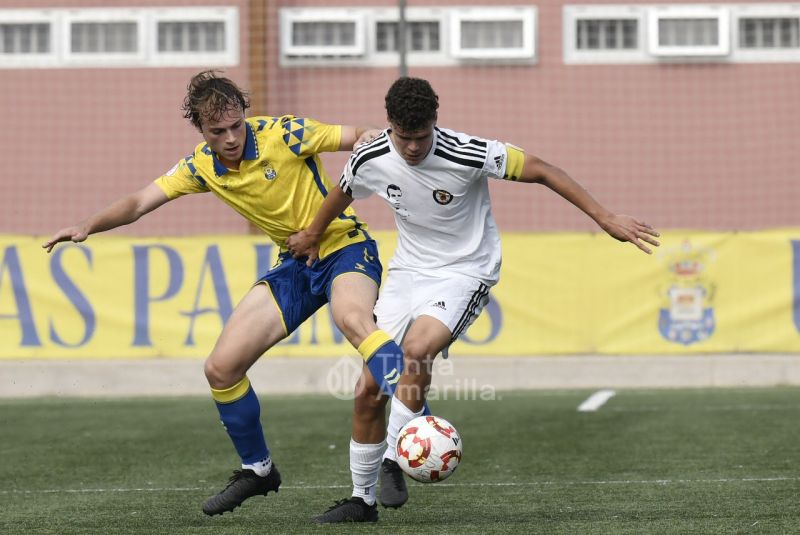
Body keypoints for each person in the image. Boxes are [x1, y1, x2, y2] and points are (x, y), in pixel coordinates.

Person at [286, 76, 661, 523]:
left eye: (421, 136)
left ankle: (392, 458)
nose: (412, 148)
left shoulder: (468, 152)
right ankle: (361, 501)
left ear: (435, 121)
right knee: (368, 389)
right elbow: (344, 189)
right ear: (389, 125)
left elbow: (542, 169)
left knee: (417, 350)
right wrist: (313, 233)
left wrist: (605, 217)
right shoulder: (371, 155)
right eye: (404, 137)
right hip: (407, 273)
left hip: (464, 272)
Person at [42, 70, 412, 517]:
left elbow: (354, 135)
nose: (231, 138)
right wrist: (87, 225)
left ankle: (408, 437)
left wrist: (372, 136)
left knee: (353, 321)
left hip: (345, 247)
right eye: (218, 131)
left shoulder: (283, 133)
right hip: (296, 263)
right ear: (201, 128)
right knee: (221, 368)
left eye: (236, 126)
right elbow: (140, 202)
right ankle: (258, 470)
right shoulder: (200, 166)